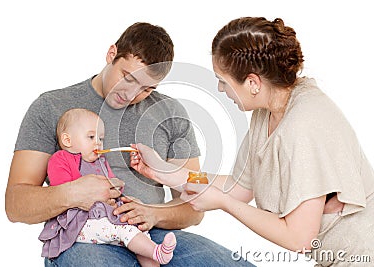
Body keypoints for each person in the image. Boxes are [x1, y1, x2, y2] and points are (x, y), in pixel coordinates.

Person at [130, 17, 374, 266]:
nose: (220, 88)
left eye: (223, 80)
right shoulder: (267, 110)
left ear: (252, 82)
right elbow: (238, 186)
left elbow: (299, 237)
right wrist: (166, 171)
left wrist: (224, 204)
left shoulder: (303, 126)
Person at [5, 22, 253, 266]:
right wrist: (74, 193)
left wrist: (154, 213)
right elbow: (15, 204)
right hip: (84, 238)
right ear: (111, 54)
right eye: (127, 78)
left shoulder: (170, 113)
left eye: (147, 88)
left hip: (152, 234)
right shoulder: (51, 106)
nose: (131, 94)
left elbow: (194, 201)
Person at [39, 108, 176, 266]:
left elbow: (112, 188)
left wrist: (121, 194)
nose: (98, 142)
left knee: (138, 228)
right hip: (81, 220)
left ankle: (154, 258)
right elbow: (64, 190)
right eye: (91, 137)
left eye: (101, 138)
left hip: (104, 214)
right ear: (67, 140)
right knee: (125, 231)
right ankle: (157, 252)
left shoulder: (101, 161)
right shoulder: (61, 158)